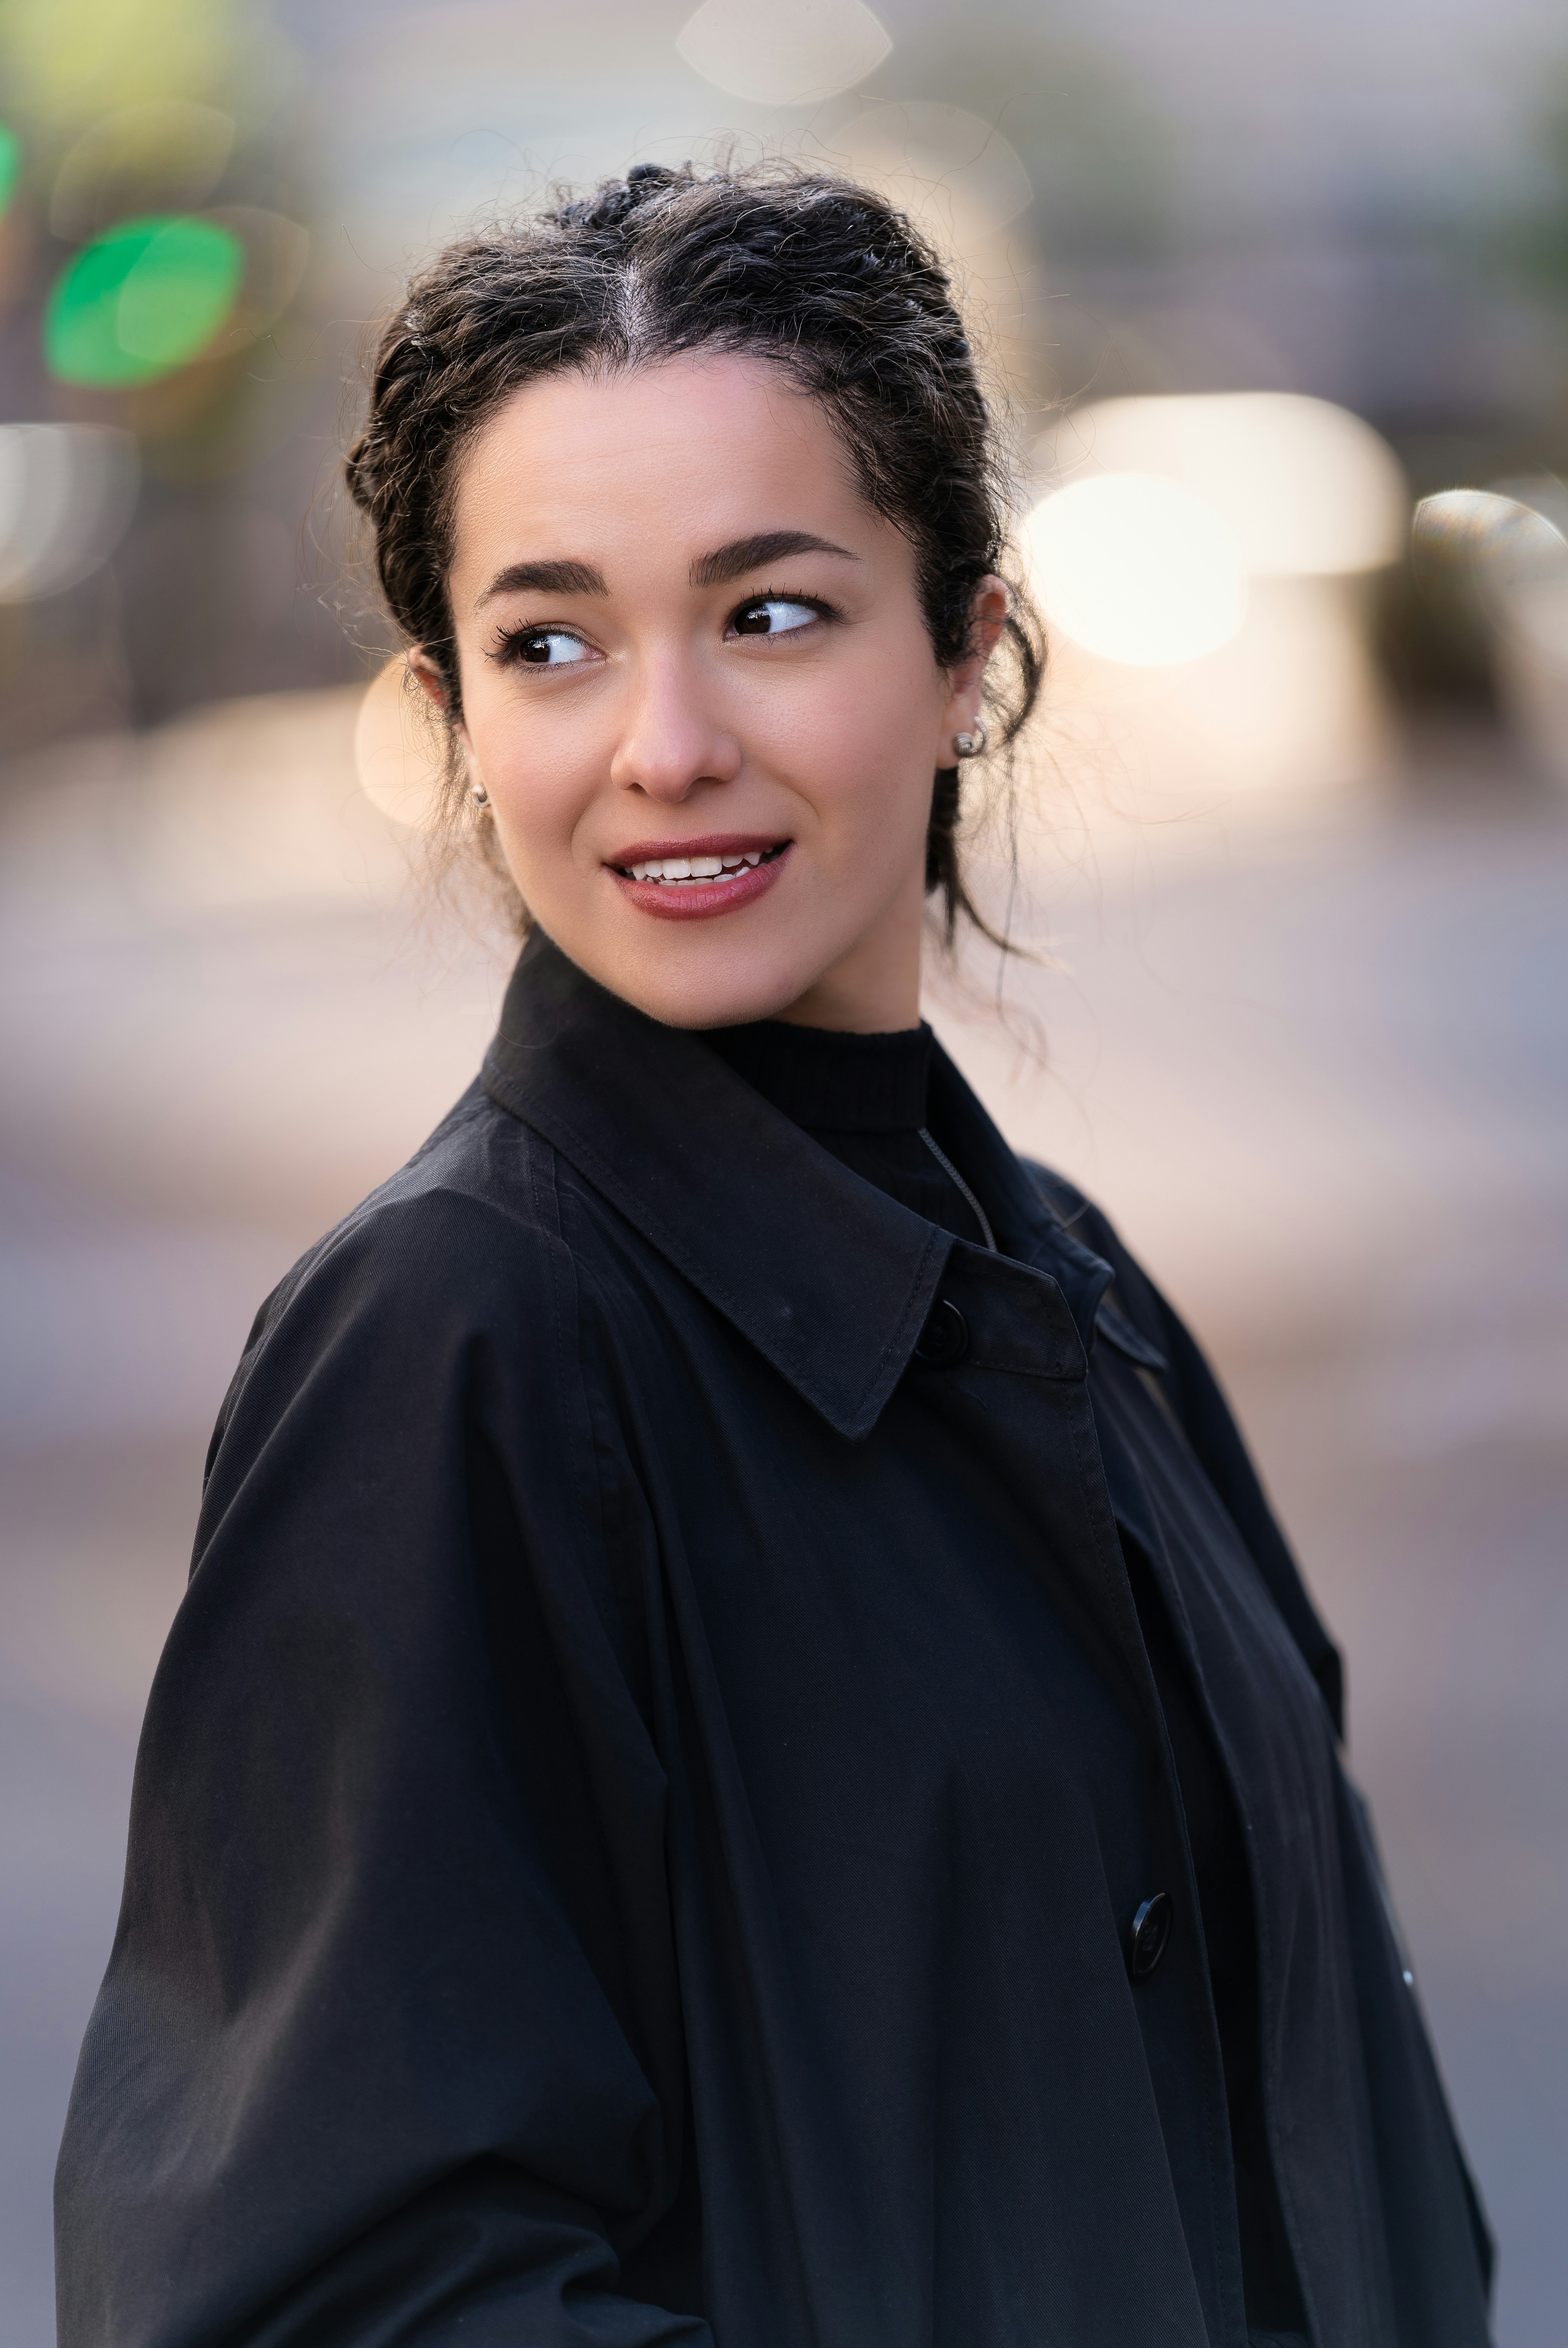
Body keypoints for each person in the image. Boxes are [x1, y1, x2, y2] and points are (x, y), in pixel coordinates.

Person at [55, 161, 1493, 2348]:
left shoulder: (1074, 1296)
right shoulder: (456, 1339)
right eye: (550, 644)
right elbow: (315, 2293)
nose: (665, 749)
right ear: (454, 718)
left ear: (968, 651)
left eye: (773, 614)